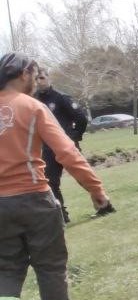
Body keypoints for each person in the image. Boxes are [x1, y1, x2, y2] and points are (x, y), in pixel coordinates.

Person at [0, 53, 111, 300]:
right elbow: (67, 152)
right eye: (35, 74)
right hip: (34, 198)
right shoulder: (32, 107)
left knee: (7, 267)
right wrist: (96, 190)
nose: (37, 80)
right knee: (50, 265)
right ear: (24, 74)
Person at [34, 68, 89, 223]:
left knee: (84, 177)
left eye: (42, 78)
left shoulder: (60, 97)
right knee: (51, 182)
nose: (39, 82)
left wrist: (74, 136)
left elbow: (81, 118)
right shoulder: (33, 101)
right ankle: (62, 216)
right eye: (36, 79)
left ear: (48, 78)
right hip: (48, 149)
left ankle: (103, 204)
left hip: (67, 146)